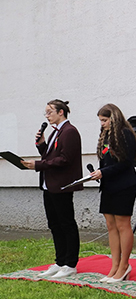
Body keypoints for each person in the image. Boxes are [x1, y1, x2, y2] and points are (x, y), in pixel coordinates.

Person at [23, 99, 83, 279]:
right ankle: (60, 261)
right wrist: (42, 144)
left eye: (50, 112)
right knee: (54, 224)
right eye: (46, 113)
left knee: (66, 223)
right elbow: (50, 157)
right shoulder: (55, 133)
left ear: (61, 112)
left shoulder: (69, 132)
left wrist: (38, 165)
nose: (47, 116)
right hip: (49, 185)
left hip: (62, 185)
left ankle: (70, 264)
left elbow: (65, 159)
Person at [87, 104, 136, 283]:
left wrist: (105, 172)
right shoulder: (106, 135)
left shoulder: (125, 134)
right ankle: (114, 265)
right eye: (101, 121)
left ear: (114, 117)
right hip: (108, 185)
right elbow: (107, 162)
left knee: (122, 224)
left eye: (105, 120)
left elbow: (126, 163)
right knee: (111, 225)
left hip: (124, 185)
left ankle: (124, 266)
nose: (102, 124)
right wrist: (98, 173)